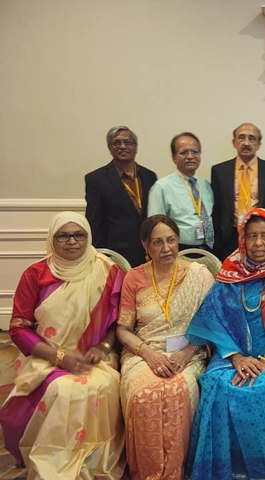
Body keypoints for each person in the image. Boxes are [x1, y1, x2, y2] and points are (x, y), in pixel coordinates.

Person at [185, 208, 265, 480]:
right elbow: (215, 318)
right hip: (235, 353)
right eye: (252, 236)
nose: (258, 243)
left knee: (261, 388)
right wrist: (235, 357)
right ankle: (227, 472)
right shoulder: (231, 270)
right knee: (219, 385)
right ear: (242, 239)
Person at [0, 212, 125, 479]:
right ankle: (53, 460)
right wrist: (59, 356)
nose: (72, 242)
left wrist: (102, 348)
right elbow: (19, 328)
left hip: (96, 355)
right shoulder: (36, 274)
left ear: (88, 236)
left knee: (103, 384)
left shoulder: (107, 271)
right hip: (45, 354)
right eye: (63, 236)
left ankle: (91, 459)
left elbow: (119, 323)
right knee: (61, 388)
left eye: (79, 235)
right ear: (52, 239)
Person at [116, 215, 214, 479]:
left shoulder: (198, 275)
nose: (166, 248)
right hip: (144, 351)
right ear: (145, 245)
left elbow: (211, 324)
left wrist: (187, 352)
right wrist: (149, 355)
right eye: (157, 242)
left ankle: (178, 471)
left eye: (171, 240)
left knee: (178, 391)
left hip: (189, 352)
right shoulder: (134, 278)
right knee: (143, 396)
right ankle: (149, 473)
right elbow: (123, 330)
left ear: (178, 240)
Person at [85, 125, 157, 267]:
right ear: (109, 148)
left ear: (136, 147)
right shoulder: (96, 179)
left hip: (148, 251)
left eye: (127, 142)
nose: (122, 146)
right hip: (115, 254)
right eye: (116, 143)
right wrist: (100, 257)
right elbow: (94, 222)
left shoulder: (150, 176)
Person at [211, 123, 265, 260]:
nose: (246, 143)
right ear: (234, 142)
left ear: (259, 144)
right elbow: (216, 208)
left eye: (252, 138)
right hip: (229, 237)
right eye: (241, 138)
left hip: (260, 238)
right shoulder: (219, 171)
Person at [148, 132, 215, 252]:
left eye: (194, 152)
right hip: (179, 249)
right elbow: (154, 226)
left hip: (209, 248)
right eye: (183, 152)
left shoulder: (205, 184)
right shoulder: (162, 187)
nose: (190, 156)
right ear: (174, 158)